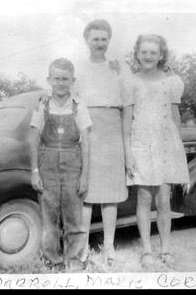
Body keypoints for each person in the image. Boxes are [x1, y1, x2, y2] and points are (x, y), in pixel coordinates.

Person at [122, 35, 190, 268]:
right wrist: (128, 154)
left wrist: (176, 151)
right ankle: (147, 251)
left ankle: (166, 249)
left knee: (163, 199)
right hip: (140, 143)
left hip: (165, 144)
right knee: (143, 197)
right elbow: (126, 119)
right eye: (144, 52)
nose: (148, 56)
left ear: (161, 55)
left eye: (153, 52)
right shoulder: (130, 82)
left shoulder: (171, 82)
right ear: (137, 54)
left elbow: (175, 117)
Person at [73, 19, 129, 265]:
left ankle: (108, 247)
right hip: (88, 129)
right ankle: (83, 247)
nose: (100, 43)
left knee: (110, 194)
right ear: (86, 40)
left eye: (104, 39)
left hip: (112, 128)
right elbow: (74, 103)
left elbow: (127, 102)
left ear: (109, 41)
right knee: (87, 192)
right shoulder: (79, 69)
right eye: (95, 39)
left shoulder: (118, 67)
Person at [30, 58, 92, 272]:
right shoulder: (42, 105)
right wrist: (35, 171)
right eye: (56, 78)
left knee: (74, 214)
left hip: (72, 161)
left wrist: (85, 174)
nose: (61, 83)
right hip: (46, 162)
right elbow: (33, 139)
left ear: (72, 81)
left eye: (65, 79)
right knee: (49, 216)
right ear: (49, 80)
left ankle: (74, 259)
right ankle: (53, 261)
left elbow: (86, 140)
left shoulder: (79, 105)